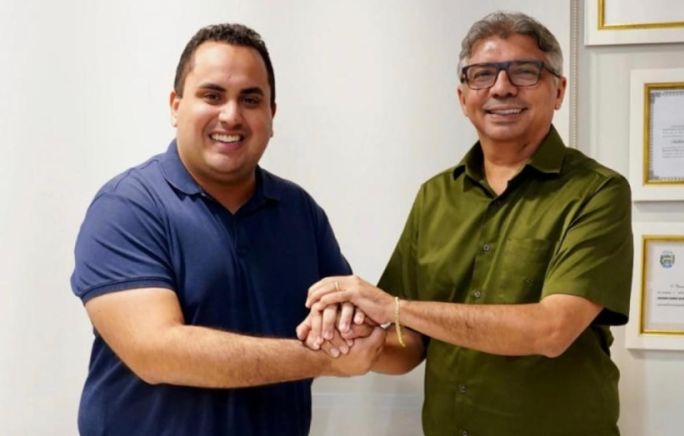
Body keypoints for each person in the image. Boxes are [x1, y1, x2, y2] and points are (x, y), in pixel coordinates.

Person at [300, 11, 633, 436]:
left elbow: (552, 330)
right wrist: (360, 344)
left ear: (559, 90)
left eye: (525, 71)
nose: (501, 87)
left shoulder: (597, 191)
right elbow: (411, 343)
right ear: (463, 97)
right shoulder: (435, 196)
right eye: (482, 74)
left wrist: (396, 308)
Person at [71, 23, 385, 436]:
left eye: (250, 99)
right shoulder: (128, 207)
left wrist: (353, 328)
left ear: (271, 115)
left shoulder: (299, 212)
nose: (231, 115)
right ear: (175, 106)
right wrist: (324, 359)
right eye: (212, 95)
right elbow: (156, 353)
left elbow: (374, 339)